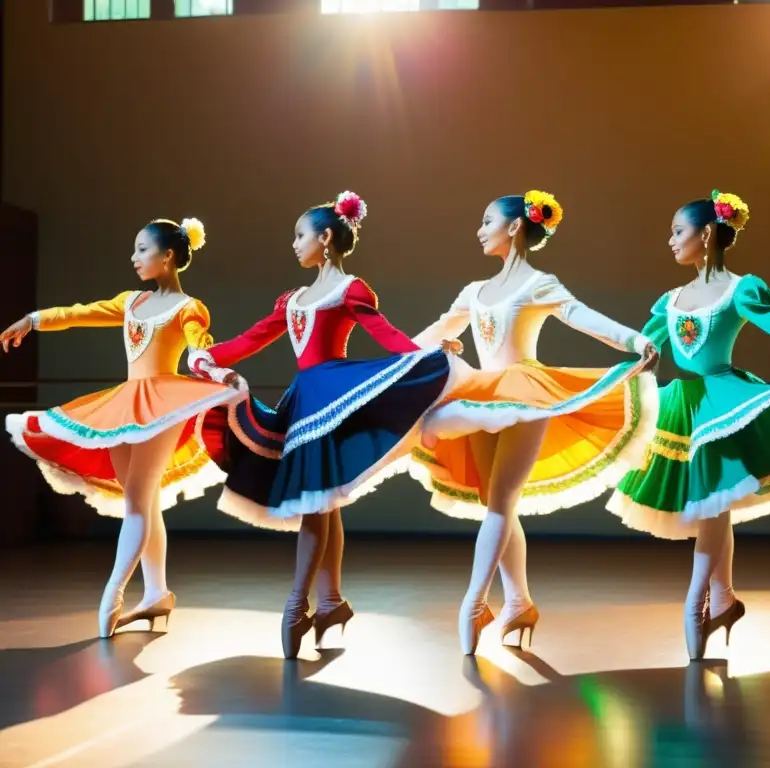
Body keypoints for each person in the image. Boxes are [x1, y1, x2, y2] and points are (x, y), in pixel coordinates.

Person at [189, 191, 457, 658]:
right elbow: (254, 338)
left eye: (300, 235)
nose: (293, 244)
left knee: (316, 502)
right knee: (324, 503)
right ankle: (330, 601)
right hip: (305, 399)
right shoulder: (292, 300)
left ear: (325, 237)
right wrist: (209, 356)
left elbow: (385, 334)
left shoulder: (351, 289)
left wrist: (425, 359)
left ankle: (298, 605)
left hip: (331, 395)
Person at [607, 191, 770, 660]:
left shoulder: (741, 289)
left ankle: (696, 602)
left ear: (706, 235)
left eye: (678, 231)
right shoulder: (671, 299)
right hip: (683, 403)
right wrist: (607, 385)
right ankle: (723, 599)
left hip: (724, 402)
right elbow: (647, 349)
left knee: (712, 503)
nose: (670, 241)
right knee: (712, 503)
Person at [409, 190, 660, 654]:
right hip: (481, 395)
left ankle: (474, 603)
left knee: (502, 502)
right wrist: (392, 361)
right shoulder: (474, 291)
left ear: (515, 227)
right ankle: (519, 602)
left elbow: (582, 317)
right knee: (497, 507)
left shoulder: (538, 284)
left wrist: (634, 340)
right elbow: (438, 330)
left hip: (526, 394)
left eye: (488, 221)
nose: (479, 230)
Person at [2, 217, 245, 637]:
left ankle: (113, 592)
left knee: (136, 499)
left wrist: (213, 368)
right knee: (144, 502)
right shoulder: (130, 302)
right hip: (125, 404)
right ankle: (156, 593)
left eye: (142, 250)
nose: (133, 258)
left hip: (162, 404)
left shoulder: (189, 308)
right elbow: (80, 313)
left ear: (167, 256)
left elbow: (198, 346)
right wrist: (33, 319)